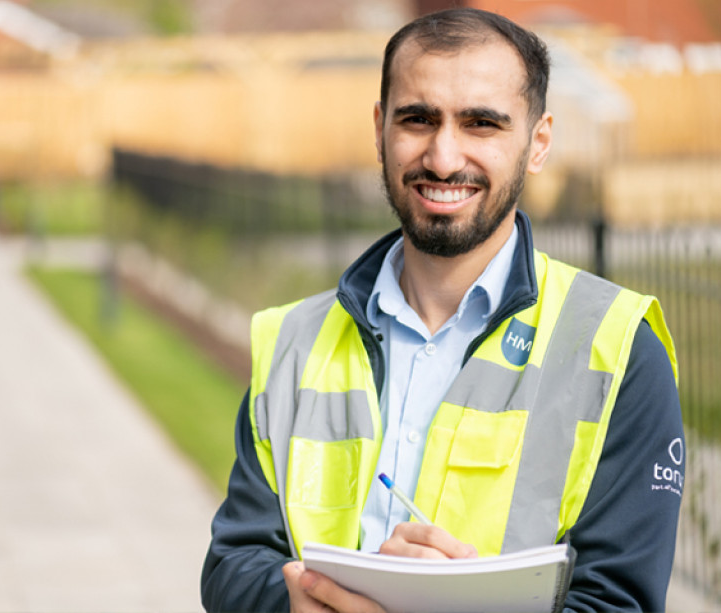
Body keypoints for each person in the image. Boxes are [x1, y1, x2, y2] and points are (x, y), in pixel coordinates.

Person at [201, 8, 684, 613]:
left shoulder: (619, 351)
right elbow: (231, 567)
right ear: (380, 129)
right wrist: (297, 602)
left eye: (482, 123)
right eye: (418, 119)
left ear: (537, 143)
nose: (444, 156)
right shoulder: (293, 340)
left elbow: (620, 604)